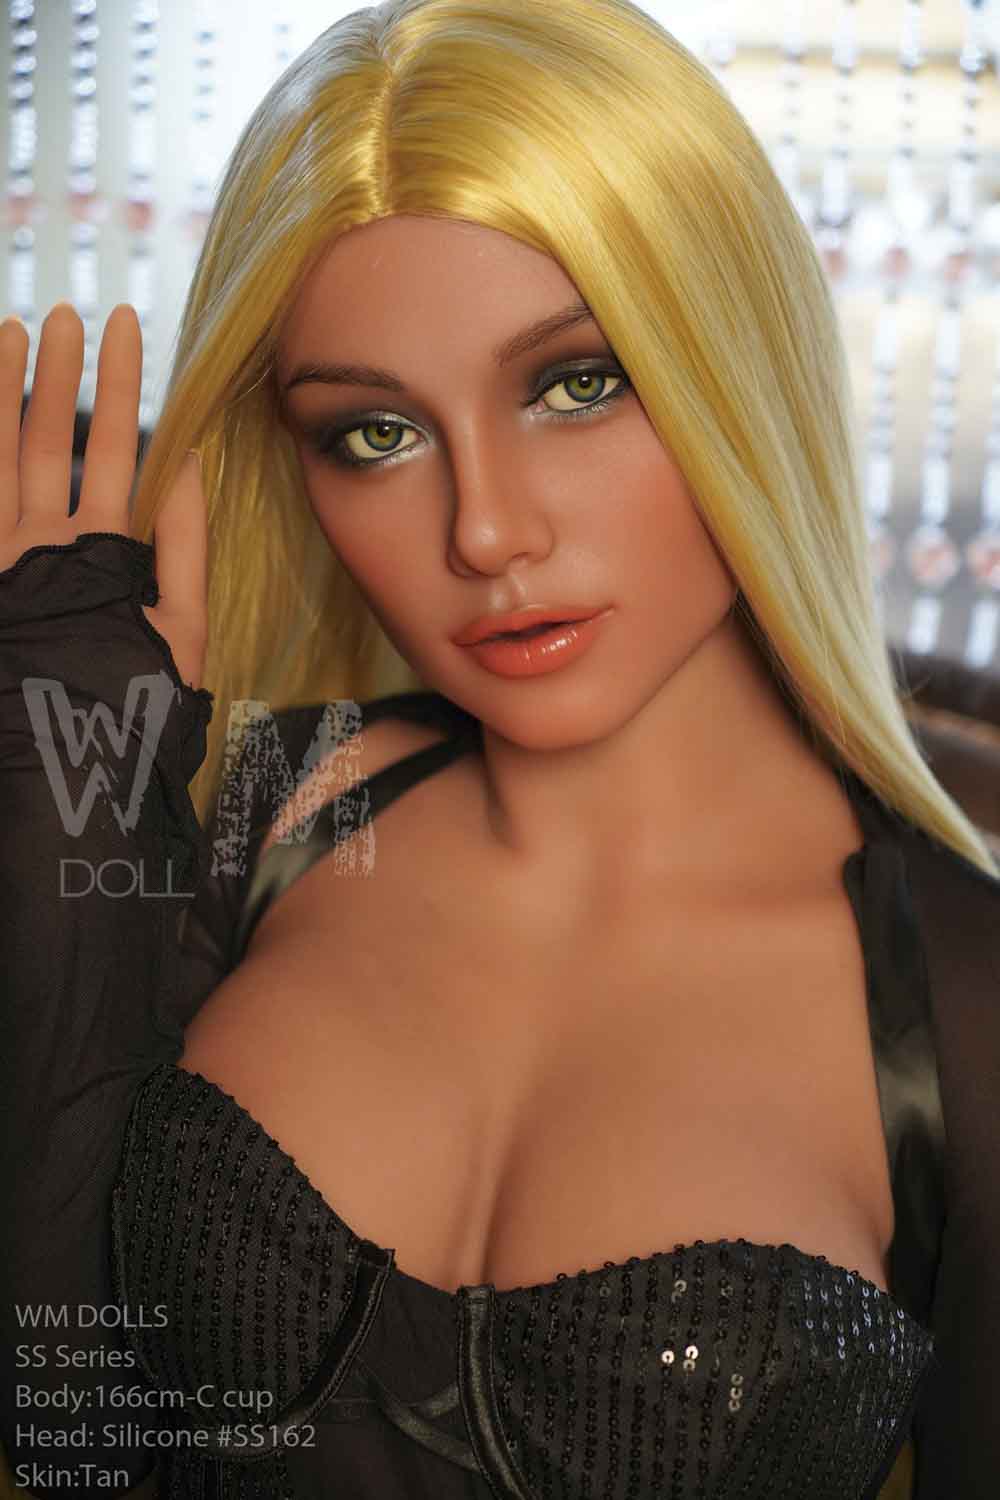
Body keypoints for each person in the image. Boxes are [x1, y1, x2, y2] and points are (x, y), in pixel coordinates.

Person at [1, 0, 997, 1497]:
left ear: (737, 366)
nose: (483, 532)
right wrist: (62, 830)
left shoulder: (959, 1008)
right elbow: (67, 1435)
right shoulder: (265, 800)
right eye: (375, 434)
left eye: (577, 384)